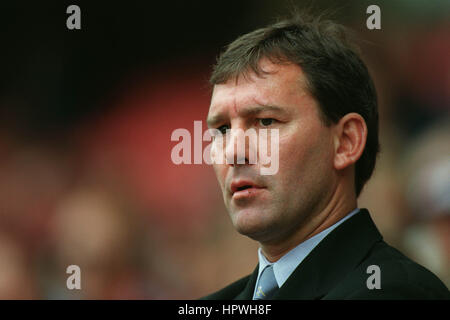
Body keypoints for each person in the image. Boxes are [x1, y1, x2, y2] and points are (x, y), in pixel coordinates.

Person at [201, 13, 450, 299]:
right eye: (222, 128)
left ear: (345, 142)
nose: (233, 151)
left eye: (266, 122)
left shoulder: (395, 291)